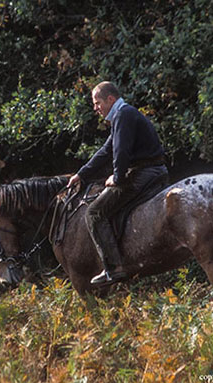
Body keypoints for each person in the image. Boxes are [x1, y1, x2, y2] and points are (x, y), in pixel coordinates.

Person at [67, 81, 168, 285]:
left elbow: (121, 151)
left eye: (97, 103)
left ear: (110, 99)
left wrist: (118, 176)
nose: (95, 108)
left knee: (94, 213)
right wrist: (82, 175)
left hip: (145, 173)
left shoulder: (123, 115)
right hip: (153, 171)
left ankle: (113, 268)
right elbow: (106, 151)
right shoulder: (123, 115)